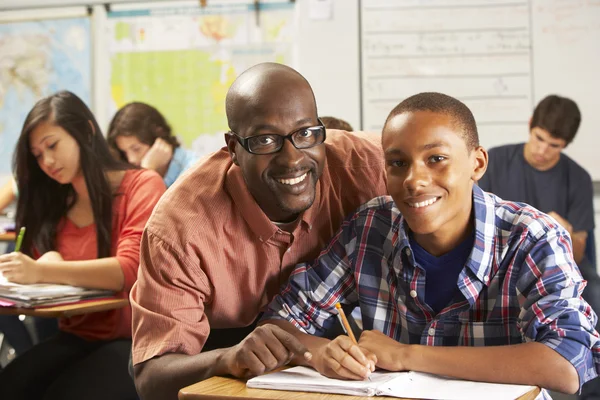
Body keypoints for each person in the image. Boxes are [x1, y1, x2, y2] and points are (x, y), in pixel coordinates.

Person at [261, 92, 600, 396]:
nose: (414, 180)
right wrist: (319, 353)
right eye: (398, 163)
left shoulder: (532, 237)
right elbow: (279, 321)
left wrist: (407, 355)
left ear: (477, 164)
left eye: (436, 159)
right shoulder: (369, 228)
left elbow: (567, 363)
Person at [130, 63, 388, 400]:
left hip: (346, 354)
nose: (293, 158)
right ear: (233, 148)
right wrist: (227, 358)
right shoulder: (180, 226)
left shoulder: (369, 166)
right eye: (265, 140)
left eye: (306, 133)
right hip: (226, 352)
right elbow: (151, 379)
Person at [0, 91, 166, 400]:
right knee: (10, 387)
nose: (47, 161)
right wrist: (46, 261)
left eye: (52, 145)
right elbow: (42, 277)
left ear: (86, 132)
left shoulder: (142, 185)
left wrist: (45, 270)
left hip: (136, 342)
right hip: (78, 337)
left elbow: (128, 270)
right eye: (37, 154)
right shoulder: (56, 203)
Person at [478, 95, 593, 266]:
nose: (542, 150)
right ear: (530, 124)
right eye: (539, 138)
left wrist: (565, 234)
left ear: (566, 145)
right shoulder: (494, 160)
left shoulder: (579, 178)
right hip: (502, 261)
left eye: (554, 145)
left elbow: (577, 255)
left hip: (555, 264)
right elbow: (478, 227)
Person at [107, 102, 198, 187]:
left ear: (158, 139)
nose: (131, 159)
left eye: (136, 149)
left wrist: (147, 173)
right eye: (124, 153)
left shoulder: (194, 170)